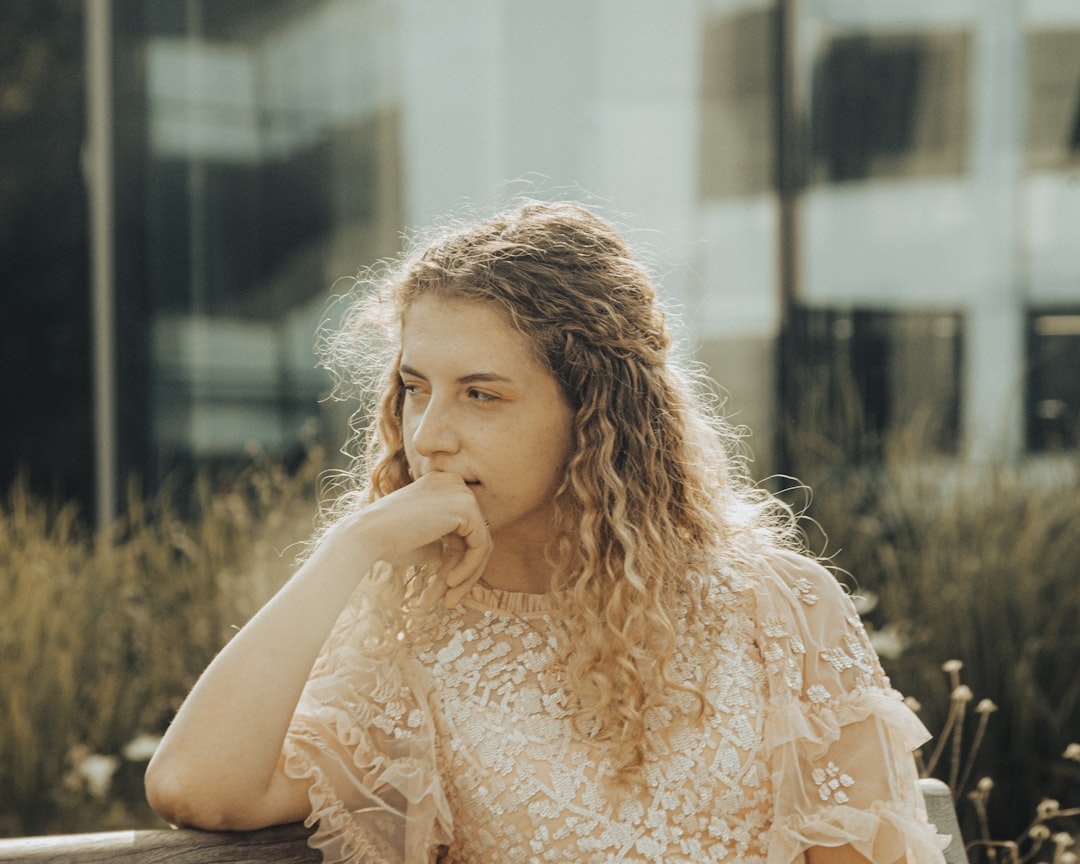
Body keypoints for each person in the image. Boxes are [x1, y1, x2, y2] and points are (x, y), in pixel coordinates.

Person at [145, 200, 948, 864]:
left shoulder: (779, 609)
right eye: (415, 388)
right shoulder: (411, 645)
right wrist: (348, 549)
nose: (428, 435)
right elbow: (196, 786)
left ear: (596, 412)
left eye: (481, 395)